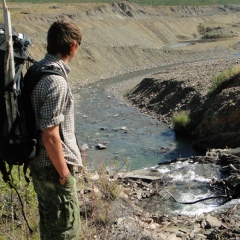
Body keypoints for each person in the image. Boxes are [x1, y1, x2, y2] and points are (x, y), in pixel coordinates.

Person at [29, 20, 82, 240]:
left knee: (50, 228)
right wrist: (64, 173)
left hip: (39, 165)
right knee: (66, 232)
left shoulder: (36, 70)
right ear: (72, 46)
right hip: (53, 169)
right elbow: (50, 135)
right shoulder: (56, 81)